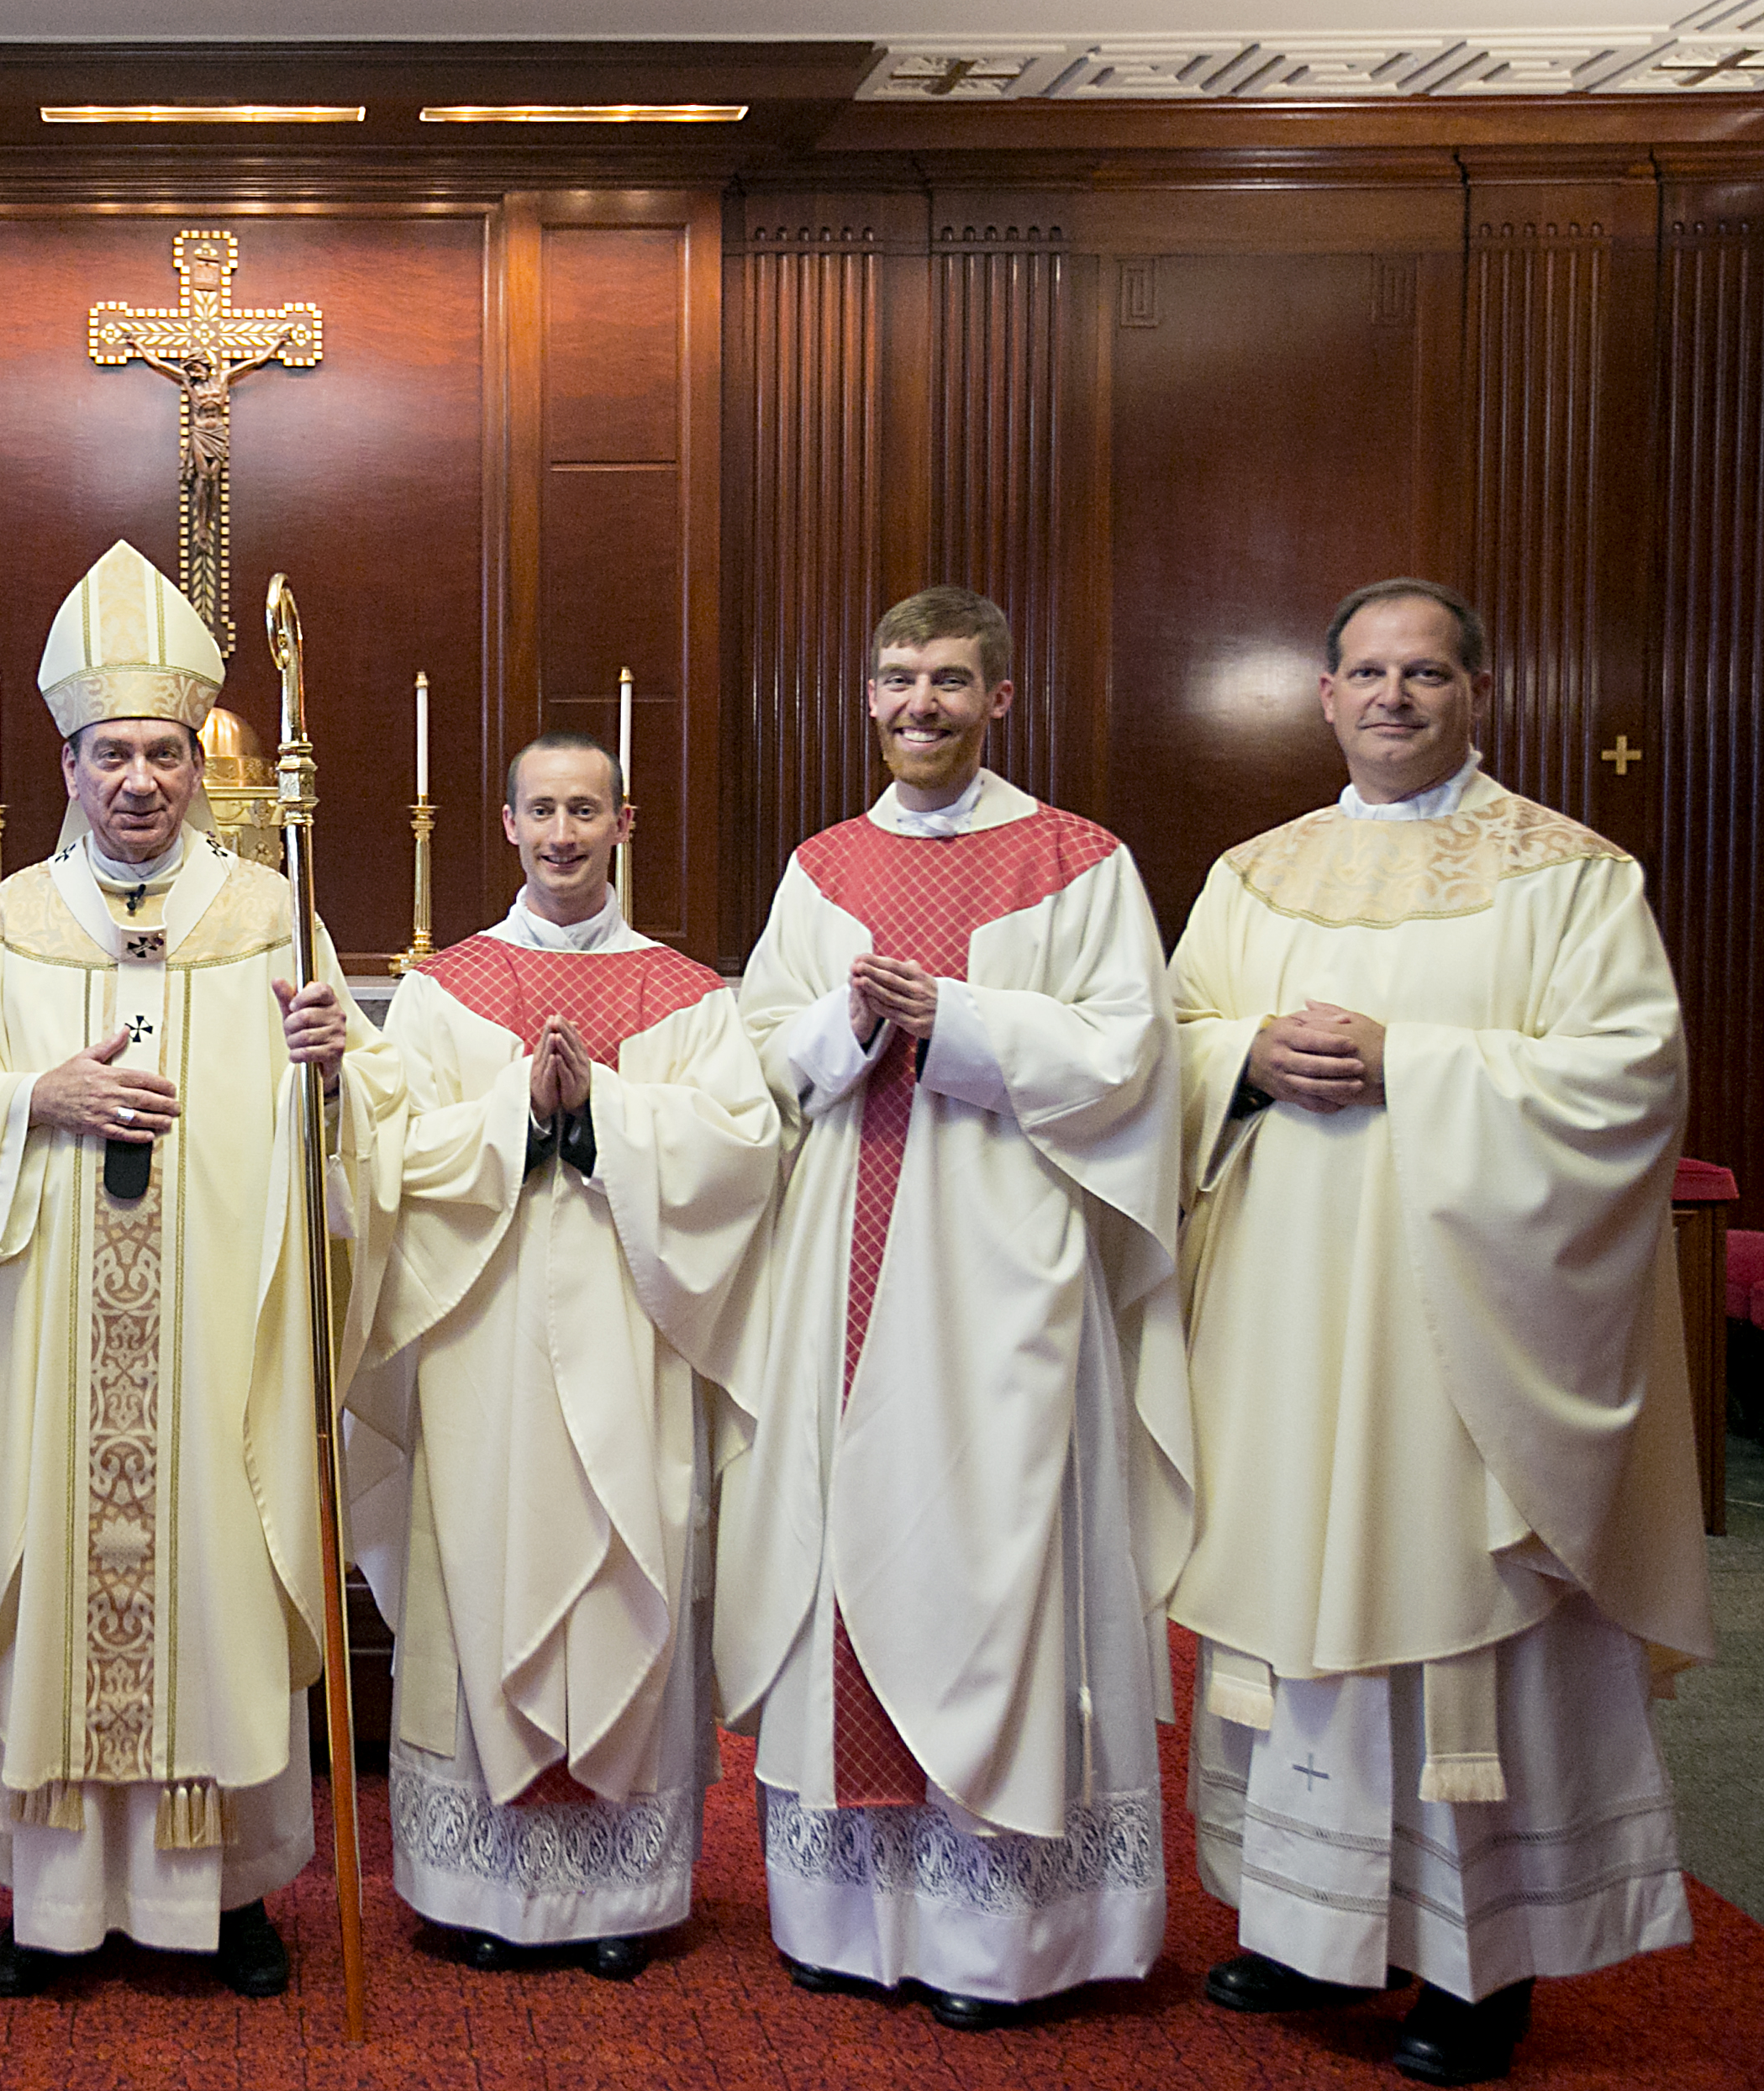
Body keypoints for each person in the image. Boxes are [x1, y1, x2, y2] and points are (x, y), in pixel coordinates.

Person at [1170, 577, 1713, 2087]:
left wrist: (1418, 1062)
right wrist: (1243, 1058)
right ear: (1325, 696)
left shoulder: (1568, 875)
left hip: (1464, 1338)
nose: (1393, 697)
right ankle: (1301, 1922)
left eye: (1424, 673)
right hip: (1285, 1317)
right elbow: (1173, 1042)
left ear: (1480, 692)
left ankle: (1479, 1969)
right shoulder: (1255, 872)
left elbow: (1627, 1085)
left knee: (1454, 1611)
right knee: (1292, 1602)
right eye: (1365, 673)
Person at [0, 539, 403, 1999]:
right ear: (66, 763)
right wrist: (26, 1102)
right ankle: (48, 1910)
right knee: (59, 1570)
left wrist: (334, 1077)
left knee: (215, 1576)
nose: (140, 780)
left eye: (167, 754)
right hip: (52, 1330)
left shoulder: (269, 917)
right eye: (113, 753)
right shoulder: (6, 932)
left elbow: (362, 1125)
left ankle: (226, 1898)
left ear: (203, 764)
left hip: (214, 1355)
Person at [716, 586, 1193, 2030]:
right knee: (841, 1562)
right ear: (866, 700)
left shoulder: (1078, 860)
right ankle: (846, 1921)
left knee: (999, 1563)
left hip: (1006, 1287)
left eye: (950, 681)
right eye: (898, 679)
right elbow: (753, 1060)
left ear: (1001, 696)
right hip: (841, 1273)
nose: (921, 703)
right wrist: (848, 1026)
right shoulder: (824, 867)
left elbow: (1132, 1059)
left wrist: (966, 1024)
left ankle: (1000, 1943)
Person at [348, 732, 777, 1979]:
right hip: (483, 1347)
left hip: (638, 1346)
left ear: (623, 824)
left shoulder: (691, 994)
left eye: (585, 811)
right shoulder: (441, 990)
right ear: (507, 823)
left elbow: (740, 1157)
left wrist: (603, 1116)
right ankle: (478, 1889)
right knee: (486, 1572)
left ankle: (620, 1902)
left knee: (622, 1573)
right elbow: (392, 1159)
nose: (564, 834)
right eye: (543, 811)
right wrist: (513, 1117)